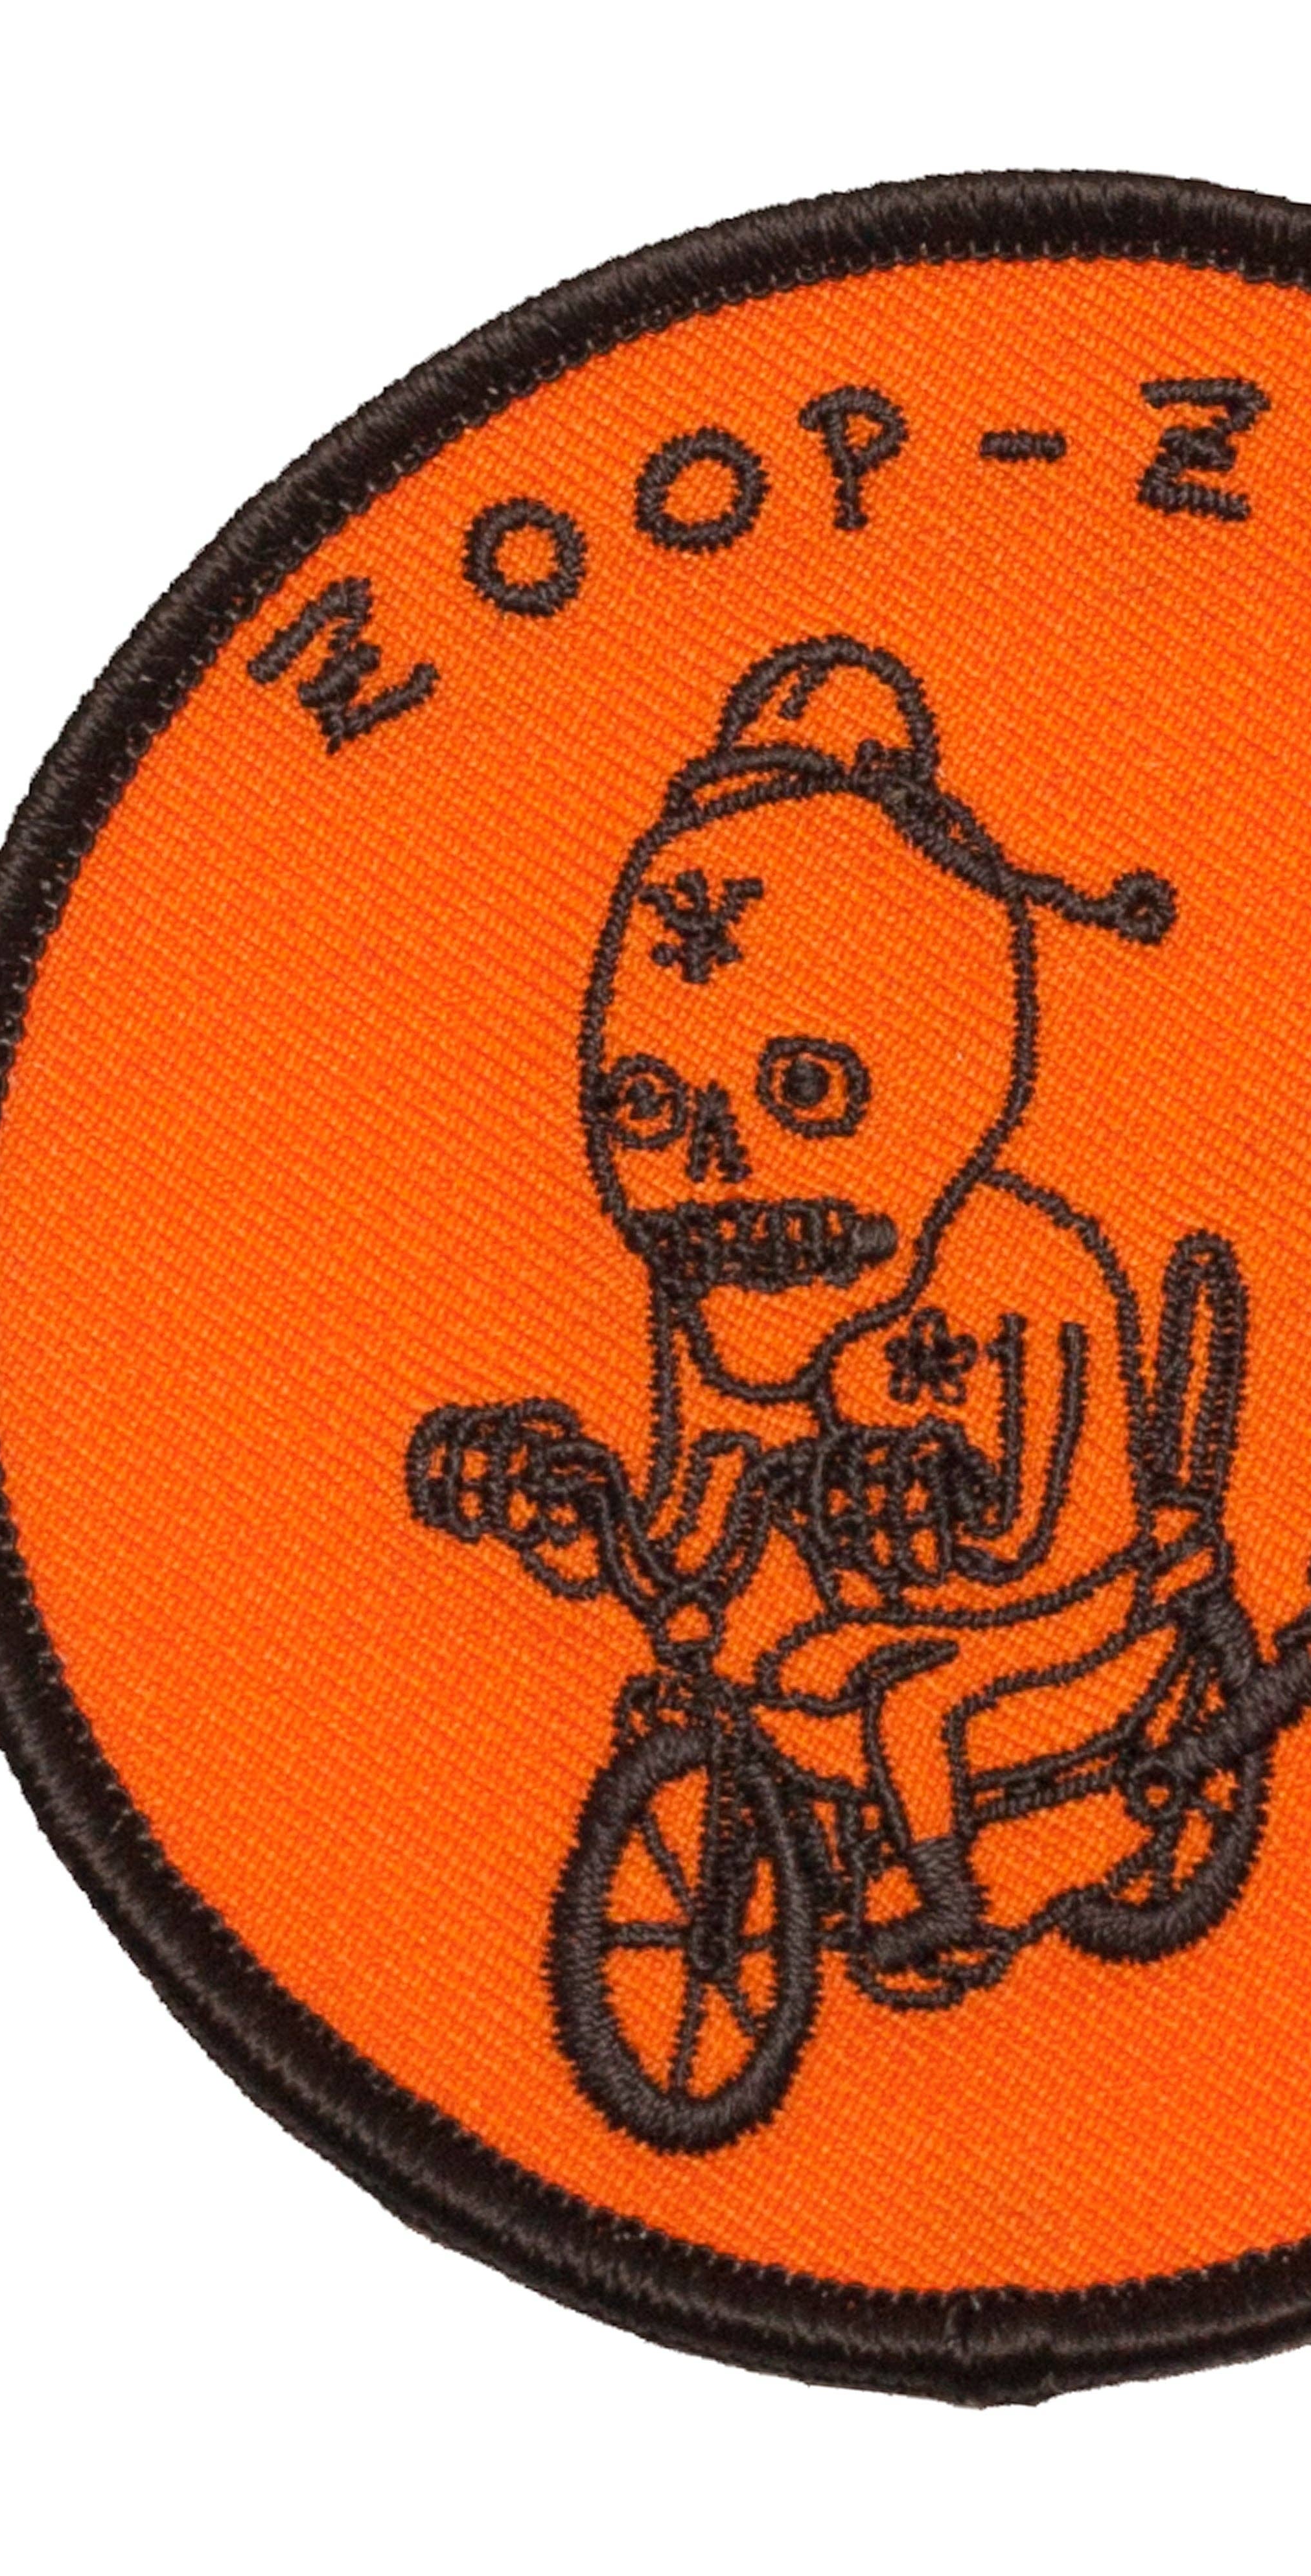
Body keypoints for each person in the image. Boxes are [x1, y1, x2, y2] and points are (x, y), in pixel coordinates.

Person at [423, 638, 1229, 1971]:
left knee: (904, 1706)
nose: (716, 1170)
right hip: (887, 1610)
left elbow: (1036, 1524)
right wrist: (576, 1506)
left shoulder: (1027, 1271)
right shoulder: (731, 1295)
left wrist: (915, 1495)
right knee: (775, 1676)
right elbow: (696, 1524)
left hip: (1065, 1605)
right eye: (647, 1107)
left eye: (804, 1091)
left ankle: (949, 1898)